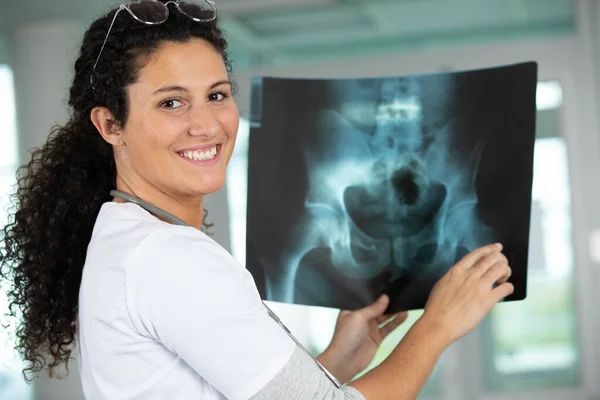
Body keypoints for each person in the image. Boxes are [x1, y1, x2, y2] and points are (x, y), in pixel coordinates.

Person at [0, 1, 513, 399]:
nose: (206, 125)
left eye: (217, 95)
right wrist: (438, 326)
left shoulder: (131, 237)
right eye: (171, 102)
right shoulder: (165, 257)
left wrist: (338, 359)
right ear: (110, 124)